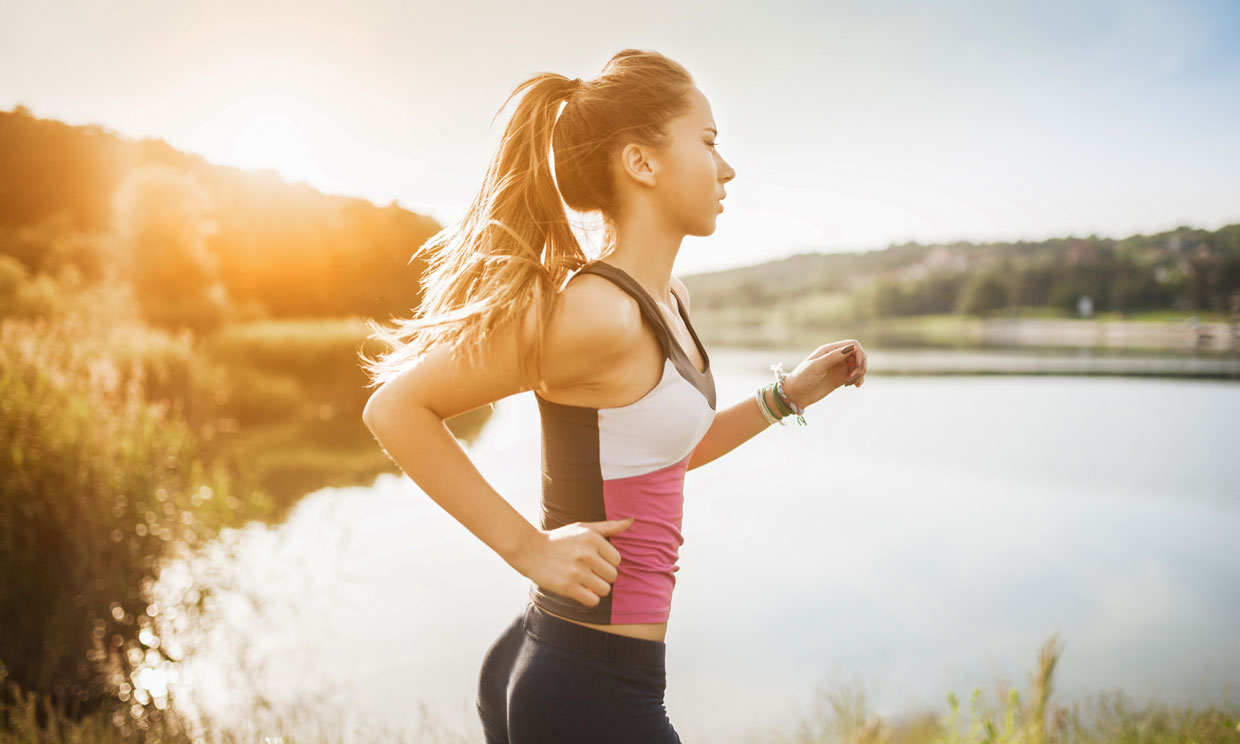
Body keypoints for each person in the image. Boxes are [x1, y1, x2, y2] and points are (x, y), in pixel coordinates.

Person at [359, 48, 868, 744]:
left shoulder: (666, 301)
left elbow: (658, 459)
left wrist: (787, 397)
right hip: (585, 684)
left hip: (583, 670)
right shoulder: (595, 312)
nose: (727, 167)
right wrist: (527, 548)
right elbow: (395, 407)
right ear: (643, 162)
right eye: (710, 142)